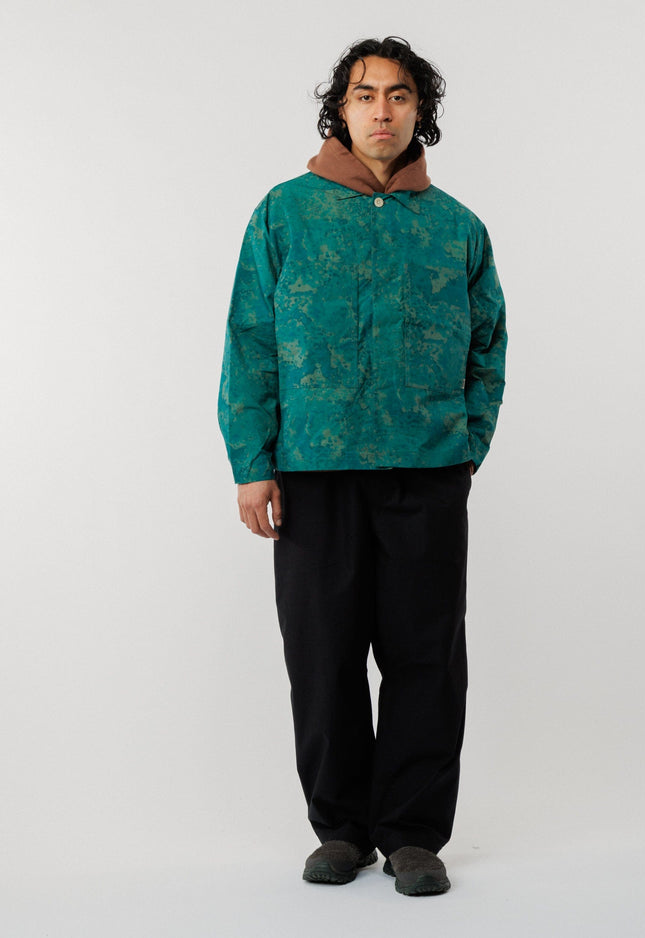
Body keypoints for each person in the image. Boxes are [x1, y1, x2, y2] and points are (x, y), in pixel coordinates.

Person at [218, 35, 507, 897]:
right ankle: (341, 830)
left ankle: (413, 835)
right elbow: (250, 339)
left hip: (428, 470)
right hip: (312, 472)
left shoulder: (457, 227)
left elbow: (488, 347)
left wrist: (466, 445)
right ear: (340, 110)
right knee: (323, 655)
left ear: (422, 111)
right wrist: (252, 463)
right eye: (365, 94)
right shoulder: (284, 213)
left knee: (426, 656)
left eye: (400, 95)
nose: (383, 110)